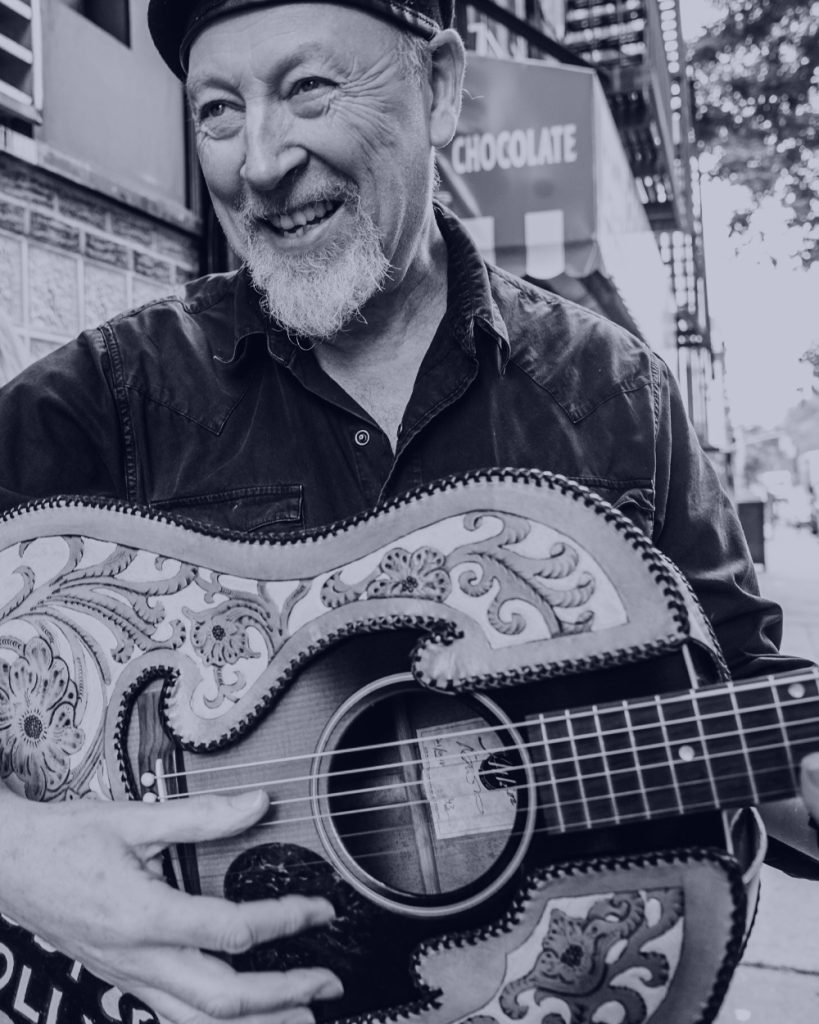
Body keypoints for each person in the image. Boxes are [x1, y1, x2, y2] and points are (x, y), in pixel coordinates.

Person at [0, 1, 817, 1022]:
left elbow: (737, 696)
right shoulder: (114, 393)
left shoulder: (613, 393)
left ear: (439, 88)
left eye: (308, 88)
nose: (260, 163)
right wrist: (17, 855)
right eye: (218, 110)